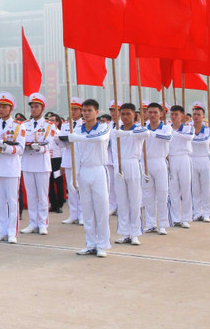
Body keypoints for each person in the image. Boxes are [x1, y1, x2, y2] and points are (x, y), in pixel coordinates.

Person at [63, 98, 111, 258]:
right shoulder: (77, 130)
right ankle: (90, 243)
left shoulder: (104, 127)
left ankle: (103, 244)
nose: (86, 113)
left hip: (98, 170)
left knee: (101, 208)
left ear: (96, 112)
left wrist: (76, 138)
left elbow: (100, 139)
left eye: (89, 110)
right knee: (87, 209)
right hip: (84, 171)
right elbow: (75, 154)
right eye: (84, 110)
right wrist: (74, 177)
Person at [0, 92, 27, 244]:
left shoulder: (18, 126)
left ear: (11, 109)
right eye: (0, 107)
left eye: (4, 107)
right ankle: (2, 230)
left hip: (11, 167)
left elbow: (21, 149)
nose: (1, 109)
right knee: (1, 201)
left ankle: (12, 232)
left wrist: (6, 147)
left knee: (12, 201)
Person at [110, 103, 146, 245]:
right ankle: (124, 232)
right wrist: (116, 166)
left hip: (133, 162)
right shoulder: (115, 130)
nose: (125, 117)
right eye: (123, 114)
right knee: (122, 200)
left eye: (128, 114)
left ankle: (135, 232)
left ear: (134, 115)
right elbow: (113, 149)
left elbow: (146, 134)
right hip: (119, 163)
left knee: (135, 199)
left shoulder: (139, 128)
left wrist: (126, 133)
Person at [21, 93, 55, 235]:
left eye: (37, 107)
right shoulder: (24, 125)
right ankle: (32, 222)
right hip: (28, 162)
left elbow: (50, 142)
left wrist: (40, 148)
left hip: (41, 163)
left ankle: (42, 223)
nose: (34, 109)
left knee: (42, 195)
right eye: (32, 107)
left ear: (42, 108)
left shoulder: (49, 125)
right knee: (31, 195)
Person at [142, 103, 172, 235]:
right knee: (148, 196)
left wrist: (152, 134)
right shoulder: (142, 128)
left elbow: (168, 138)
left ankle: (163, 223)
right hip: (146, 163)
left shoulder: (166, 128)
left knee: (162, 193)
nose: (152, 115)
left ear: (161, 113)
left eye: (155, 112)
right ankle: (150, 223)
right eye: (150, 112)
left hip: (160, 161)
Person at [167, 105, 193, 228]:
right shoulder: (167, 128)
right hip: (172, 158)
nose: (174, 117)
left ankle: (186, 217)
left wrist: (174, 133)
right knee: (173, 189)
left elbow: (189, 137)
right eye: (172, 114)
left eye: (176, 114)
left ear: (182, 116)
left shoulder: (188, 129)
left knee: (185, 187)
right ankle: (175, 217)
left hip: (184, 157)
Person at [58, 98, 83, 224]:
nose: (73, 112)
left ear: (80, 111)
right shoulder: (65, 125)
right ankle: (74, 214)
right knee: (71, 187)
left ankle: (83, 215)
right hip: (68, 157)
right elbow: (61, 144)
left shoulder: (84, 124)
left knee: (81, 187)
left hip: (80, 158)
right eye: (71, 109)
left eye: (75, 109)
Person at [189, 103, 210, 223]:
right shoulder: (189, 128)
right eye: (194, 114)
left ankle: (207, 212)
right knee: (195, 188)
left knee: (206, 187)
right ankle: (197, 212)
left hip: (204, 159)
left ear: (203, 116)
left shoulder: (208, 130)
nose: (196, 117)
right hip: (193, 159)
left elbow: (203, 140)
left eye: (199, 115)